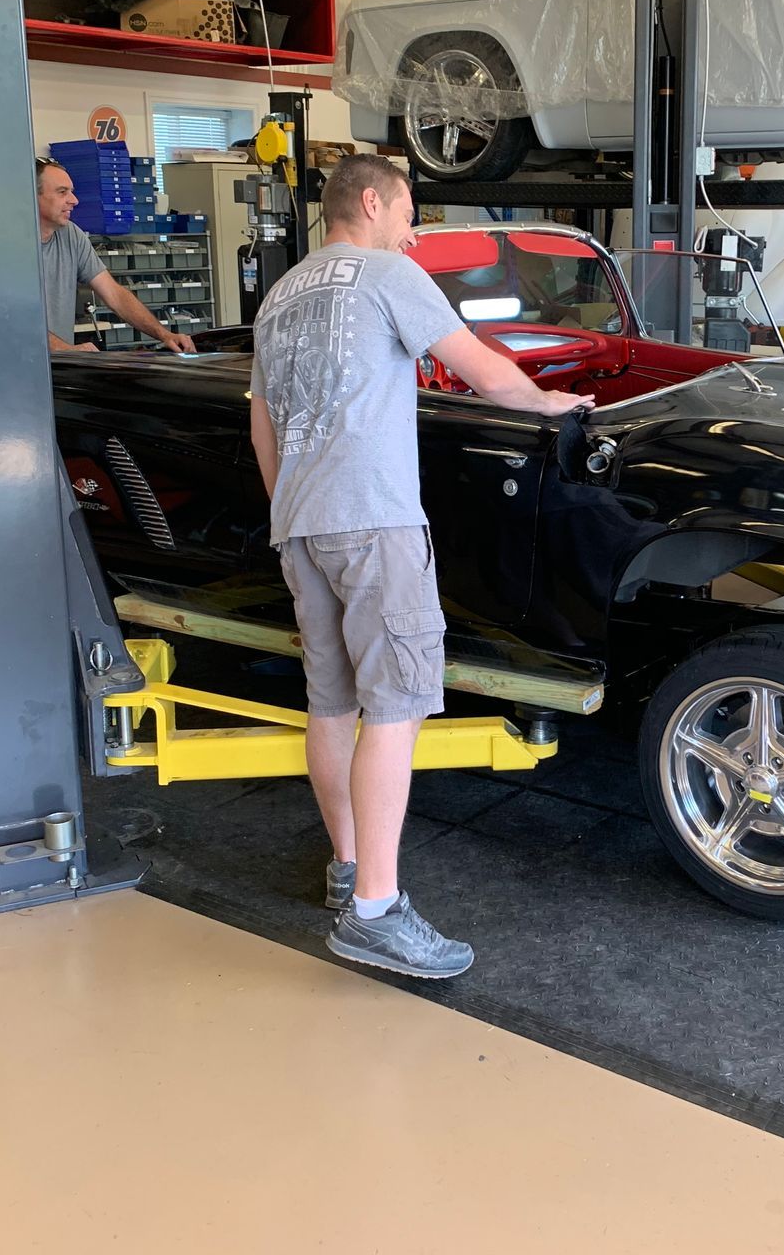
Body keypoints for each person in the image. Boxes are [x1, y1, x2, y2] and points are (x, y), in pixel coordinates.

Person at [247, 153, 593, 979]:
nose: (412, 232)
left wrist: (292, 508)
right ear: (371, 202)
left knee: (331, 703)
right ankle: (375, 911)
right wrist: (552, 402)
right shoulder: (386, 275)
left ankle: (346, 870)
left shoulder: (280, 296)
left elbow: (263, 428)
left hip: (301, 525)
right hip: (374, 521)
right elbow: (481, 369)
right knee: (395, 707)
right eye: (408, 213)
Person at [35, 158, 197, 354]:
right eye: (62, 192)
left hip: (56, 364)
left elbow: (114, 294)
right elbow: (12, 317)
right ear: (32, 195)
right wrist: (65, 349)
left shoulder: (71, 234)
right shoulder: (10, 248)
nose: (74, 200)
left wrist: (164, 335)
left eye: (71, 191)